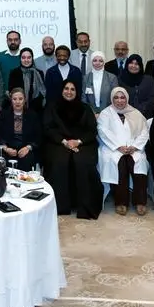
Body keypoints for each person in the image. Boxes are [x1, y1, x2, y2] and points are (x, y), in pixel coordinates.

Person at [42, 79, 100, 217]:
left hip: (82, 143)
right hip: (58, 142)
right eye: (66, 88)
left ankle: (84, 206)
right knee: (60, 161)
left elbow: (92, 130)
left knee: (82, 162)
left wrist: (78, 142)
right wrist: (64, 142)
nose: (69, 92)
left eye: (72, 89)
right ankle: (61, 205)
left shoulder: (85, 108)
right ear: (62, 90)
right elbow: (48, 128)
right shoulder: (52, 107)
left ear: (77, 92)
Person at [98, 87, 150, 216]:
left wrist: (135, 146)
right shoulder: (105, 113)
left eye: (122, 97)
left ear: (127, 98)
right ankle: (121, 202)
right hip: (113, 149)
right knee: (120, 165)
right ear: (112, 99)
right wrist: (118, 146)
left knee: (139, 164)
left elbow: (144, 132)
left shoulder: (135, 113)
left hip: (134, 148)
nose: (119, 100)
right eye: (116, 97)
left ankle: (140, 201)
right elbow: (103, 131)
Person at [0, 88, 41, 172]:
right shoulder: (3, 114)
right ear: (11, 100)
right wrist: (6, 148)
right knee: (2, 162)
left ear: (25, 100)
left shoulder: (33, 115)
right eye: (14, 99)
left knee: (27, 160)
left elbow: (39, 136)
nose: (17, 102)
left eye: (20, 99)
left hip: (25, 149)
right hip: (7, 148)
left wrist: (28, 148)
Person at [8, 47, 46, 112]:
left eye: (29, 57)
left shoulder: (39, 73)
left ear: (32, 59)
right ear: (20, 59)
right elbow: (11, 92)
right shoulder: (14, 73)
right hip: (18, 109)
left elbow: (42, 92)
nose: (26, 60)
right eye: (23, 57)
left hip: (36, 110)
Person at [118, 54, 154, 119]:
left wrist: (140, 110)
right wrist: (130, 111)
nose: (133, 66)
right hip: (126, 116)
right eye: (131, 63)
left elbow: (152, 98)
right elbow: (118, 99)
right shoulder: (120, 80)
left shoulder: (148, 80)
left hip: (145, 115)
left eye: (136, 64)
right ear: (127, 64)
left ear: (140, 66)